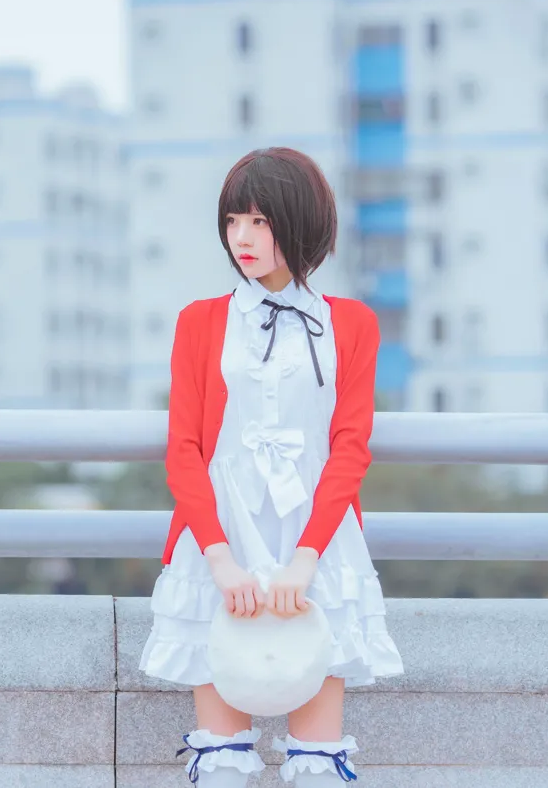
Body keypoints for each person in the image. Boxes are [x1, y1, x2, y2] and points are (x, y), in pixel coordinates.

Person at [139, 147, 405, 785]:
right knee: (222, 763)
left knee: (317, 764)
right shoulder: (201, 322)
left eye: (260, 221)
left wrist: (308, 557)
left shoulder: (351, 324)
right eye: (234, 221)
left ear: (299, 223)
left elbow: (349, 447)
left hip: (315, 543)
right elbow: (185, 450)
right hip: (220, 542)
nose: (243, 237)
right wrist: (220, 558)